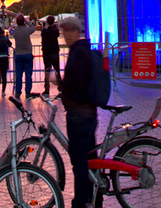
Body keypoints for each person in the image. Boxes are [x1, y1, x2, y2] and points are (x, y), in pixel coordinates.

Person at [58, 15, 98, 208]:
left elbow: (78, 83)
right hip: (86, 113)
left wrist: (62, 86)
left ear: (78, 31)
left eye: (70, 30)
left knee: (80, 161)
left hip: (79, 114)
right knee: (90, 159)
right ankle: (94, 197)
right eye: (64, 31)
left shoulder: (78, 53)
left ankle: (80, 202)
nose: (66, 34)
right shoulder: (81, 50)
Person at [11, 15, 37, 100]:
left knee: (19, 75)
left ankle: (18, 92)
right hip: (28, 54)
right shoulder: (27, 30)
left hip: (18, 54)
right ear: (23, 22)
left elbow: (10, 30)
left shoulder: (15, 31)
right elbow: (33, 28)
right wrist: (27, 21)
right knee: (28, 75)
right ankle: (28, 92)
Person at [40, 15, 61, 97]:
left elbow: (43, 36)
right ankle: (60, 87)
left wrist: (45, 27)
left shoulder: (45, 31)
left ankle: (47, 89)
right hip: (55, 52)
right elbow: (57, 33)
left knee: (47, 70)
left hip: (47, 53)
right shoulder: (55, 30)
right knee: (57, 70)